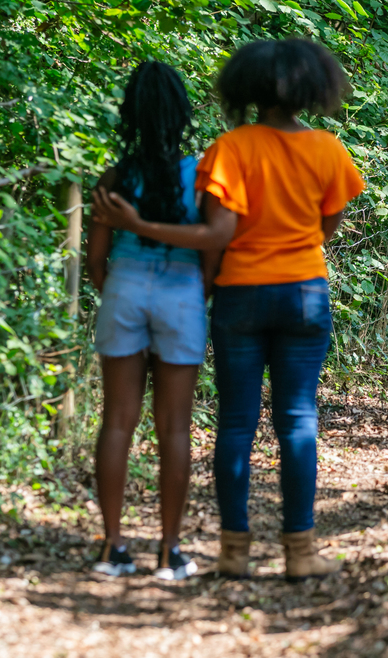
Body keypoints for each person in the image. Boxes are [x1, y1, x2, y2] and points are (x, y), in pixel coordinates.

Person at [93, 38, 363, 582]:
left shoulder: (230, 149)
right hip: (304, 292)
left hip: (239, 293)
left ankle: (233, 551)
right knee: (298, 418)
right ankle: (299, 550)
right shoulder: (329, 150)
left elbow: (218, 235)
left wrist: (210, 286)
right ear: (313, 88)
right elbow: (325, 227)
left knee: (235, 423)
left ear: (245, 89)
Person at [84, 61, 237, 581]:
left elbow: (95, 261)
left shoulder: (114, 177)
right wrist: (198, 293)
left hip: (124, 289)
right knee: (174, 427)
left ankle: (112, 549)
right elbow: (212, 258)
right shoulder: (199, 176)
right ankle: (170, 552)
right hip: (182, 297)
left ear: (130, 114)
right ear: (182, 114)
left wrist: (120, 290)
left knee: (117, 422)